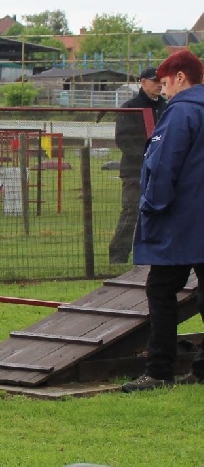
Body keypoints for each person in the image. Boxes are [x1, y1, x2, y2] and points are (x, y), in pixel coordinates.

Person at [121, 50, 204, 393]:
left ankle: (159, 371)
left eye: (166, 82)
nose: (164, 90)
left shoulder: (181, 112)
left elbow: (163, 164)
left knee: (161, 290)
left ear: (180, 78)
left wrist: (153, 207)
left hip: (182, 222)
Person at [109, 67, 167, 264]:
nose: (159, 84)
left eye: (161, 80)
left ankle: (155, 254)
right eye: (154, 80)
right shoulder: (130, 107)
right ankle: (118, 256)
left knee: (161, 212)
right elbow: (123, 139)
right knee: (131, 211)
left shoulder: (166, 107)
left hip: (161, 170)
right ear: (143, 82)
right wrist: (148, 155)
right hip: (135, 170)